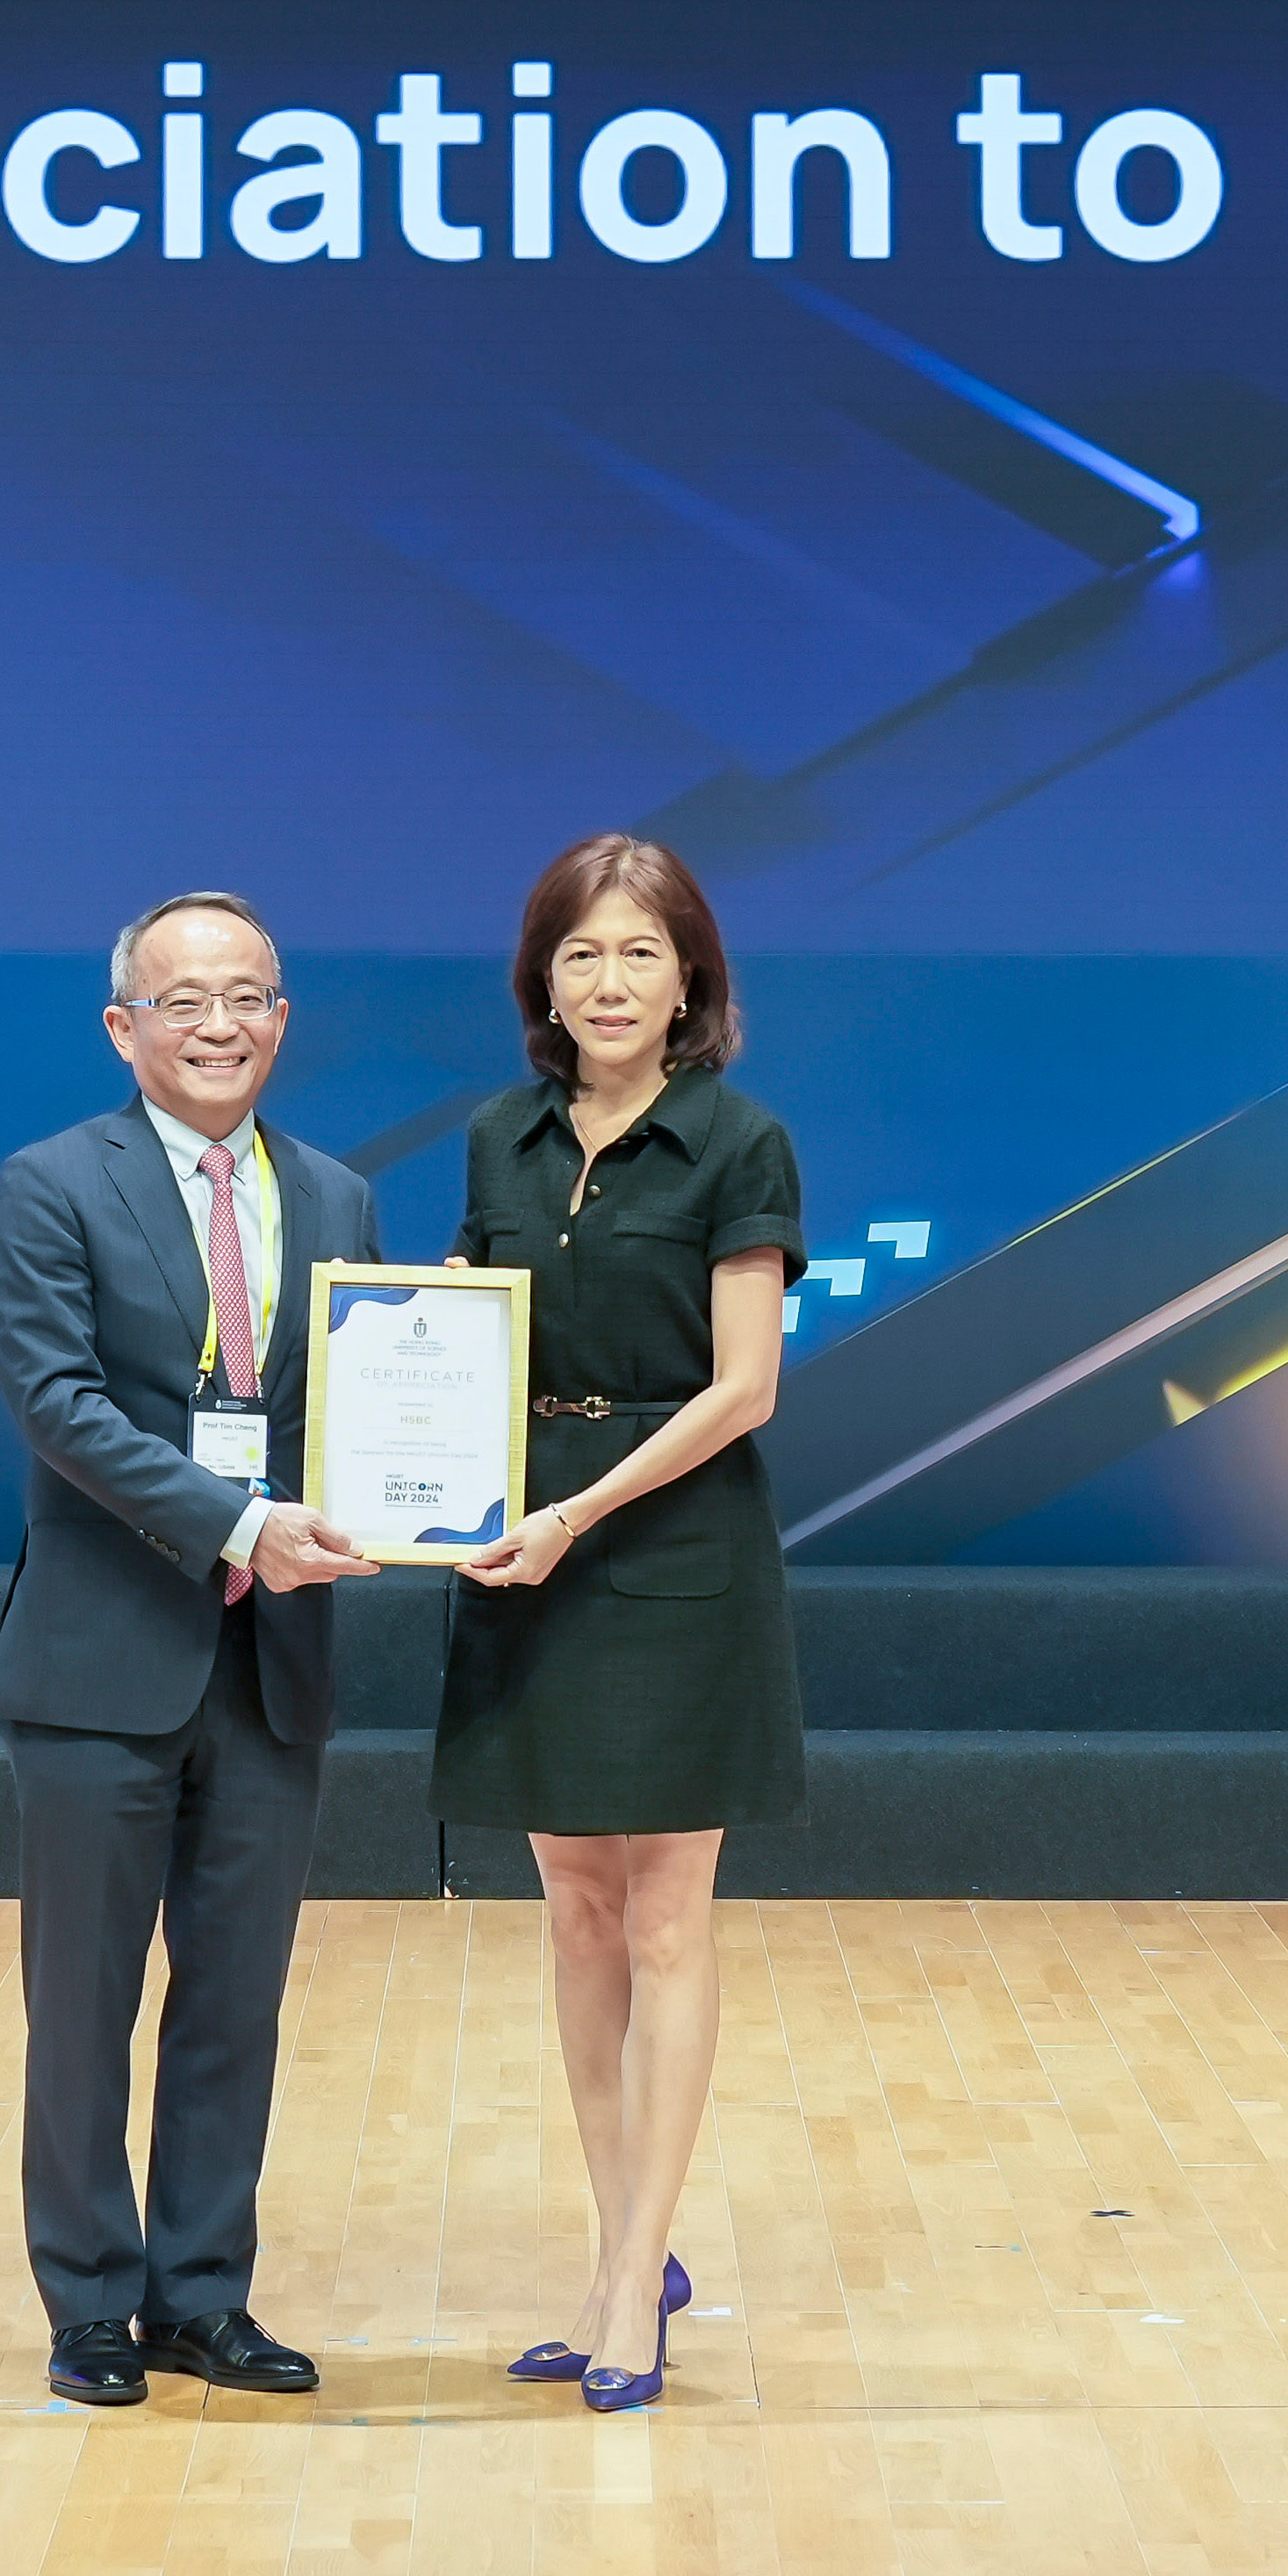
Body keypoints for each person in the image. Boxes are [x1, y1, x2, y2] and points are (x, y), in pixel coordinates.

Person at [0, 891, 382, 2410]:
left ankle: (201, 2296)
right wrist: (234, 1522)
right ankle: (87, 2303)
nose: (219, 1025)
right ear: (123, 1027)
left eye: (249, 997)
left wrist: (414, 1497)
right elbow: (55, 1404)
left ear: (282, 1017)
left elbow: (360, 1401)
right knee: (79, 2003)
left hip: (272, 1663)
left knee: (235, 2001)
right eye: (185, 999)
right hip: (100, 1660)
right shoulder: (48, 1185)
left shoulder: (337, 1197)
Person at [439, 829, 810, 2412]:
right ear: (543, 976)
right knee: (574, 1915)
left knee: (665, 1918)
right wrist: (429, 1498)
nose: (609, 980)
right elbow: (450, 1344)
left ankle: (634, 2284)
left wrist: (573, 1513)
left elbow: (744, 1390)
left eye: (640, 952)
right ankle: (617, 2248)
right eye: (581, 952)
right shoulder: (495, 1140)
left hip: (667, 1558)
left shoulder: (739, 1143)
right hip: (514, 1555)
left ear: (689, 982)